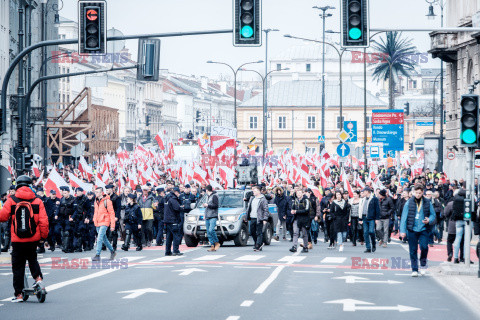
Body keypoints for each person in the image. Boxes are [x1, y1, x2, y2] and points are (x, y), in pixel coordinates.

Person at [0, 175, 49, 302]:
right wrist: (43, 238)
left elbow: (3, 217)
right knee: (32, 259)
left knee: (18, 267)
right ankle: (38, 279)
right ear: (29, 186)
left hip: (17, 240)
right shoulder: (37, 201)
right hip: (33, 239)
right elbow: (44, 222)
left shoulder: (11, 200)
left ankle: (19, 295)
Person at [400, 183, 436, 277]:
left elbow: (433, 215)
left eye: (420, 193)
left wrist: (429, 220)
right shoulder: (409, 202)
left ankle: (423, 265)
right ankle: (414, 269)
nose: (418, 195)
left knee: (424, 247)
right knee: (413, 250)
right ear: (413, 192)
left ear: (422, 192)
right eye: (416, 193)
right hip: (412, 229)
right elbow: (404, 217)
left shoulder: (427, 202)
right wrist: (402, 231)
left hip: (423, 229)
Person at [92, 187, 116, 261]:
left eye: (98, 192)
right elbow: (95, 212)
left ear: (102, 192)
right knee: (104, 239)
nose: (96, 193)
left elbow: (112, 213)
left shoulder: (107, 201)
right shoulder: (96, 201)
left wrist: (112, 225)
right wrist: (94, 220)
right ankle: (112, 251)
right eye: (96, 192)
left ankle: (97, 254)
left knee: (99, 238)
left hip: (105, 222)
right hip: (98, 222)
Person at [246, 185, 270, 252]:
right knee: (252, 232)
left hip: (259, 218)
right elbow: (249, 208)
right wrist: (246, 217)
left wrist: (265, 219)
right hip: (252, 217)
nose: (253, 192)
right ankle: (258, 243)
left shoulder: (263, 199)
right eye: (253, 190)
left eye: (255, 190)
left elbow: (266, 210)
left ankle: (257, 245)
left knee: (259, 232)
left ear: (259, 191)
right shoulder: (252, 198)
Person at [359, 187, 381, 253]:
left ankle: (373, 244)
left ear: (367, 191)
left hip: (371, 218)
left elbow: (377, 209)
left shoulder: (374, 199)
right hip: (364, 218)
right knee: (365, 233)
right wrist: (360, 218)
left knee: (371, 231)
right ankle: (368, 247)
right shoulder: (363, 199)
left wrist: (377, 218)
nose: (363, 193)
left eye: (364, 191)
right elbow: (360, 209)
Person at [289, 188, 310, 253]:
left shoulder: (306, 200)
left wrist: (296, 211)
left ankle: (305, 247)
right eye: (297, 193)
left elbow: (306, 210)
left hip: (304, 219)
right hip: (296, 219)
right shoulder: (295, 200)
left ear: (303, 193)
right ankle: (294, 247)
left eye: (300, 193)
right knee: (295, 233)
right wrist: (292, 211)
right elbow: (292, 208)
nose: (298, 194)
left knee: (304, 234)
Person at [164, 187, 183, 256]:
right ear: (176, 192)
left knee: (169, 236)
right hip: (173, 219)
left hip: (167, 219)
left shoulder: (167, 198)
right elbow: (177, 208)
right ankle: (175, 250)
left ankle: (168, 251)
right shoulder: (173, 199)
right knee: (176, 235)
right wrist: (181, 207)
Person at [57, 186, 75, 253]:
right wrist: (56, 215)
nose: (64, 194)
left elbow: (75, 210)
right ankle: (67, 246)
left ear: (68, 192)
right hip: (63, 218)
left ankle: (66, 247)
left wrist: (73, 217)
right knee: (64, 233)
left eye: (65, 193)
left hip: (70, 218)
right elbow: (59, 208)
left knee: (68, 233)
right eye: (63, 193)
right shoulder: (62, 199)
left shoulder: (73, 199)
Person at [203, 185, 220, 252]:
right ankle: (212, 245)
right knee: (208, 232)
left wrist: (208, 205)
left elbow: (216, 205)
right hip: (207, 215)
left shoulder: (214, 196)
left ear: (207, 190)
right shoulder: (207, 196)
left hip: (213, 215)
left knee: (211, 230)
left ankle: (216, 242)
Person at [105, 185, 121, 251]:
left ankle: (114, 245)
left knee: (114, 231)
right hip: (107, 216)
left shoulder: (116, 197)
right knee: (106, 231)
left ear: (111, 189)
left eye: (108, 189)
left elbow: (118, 208)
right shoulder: (106, 197)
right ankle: (105, 245)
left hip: (114, 216)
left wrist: (117, 216)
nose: (106, 191)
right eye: (106, 190)